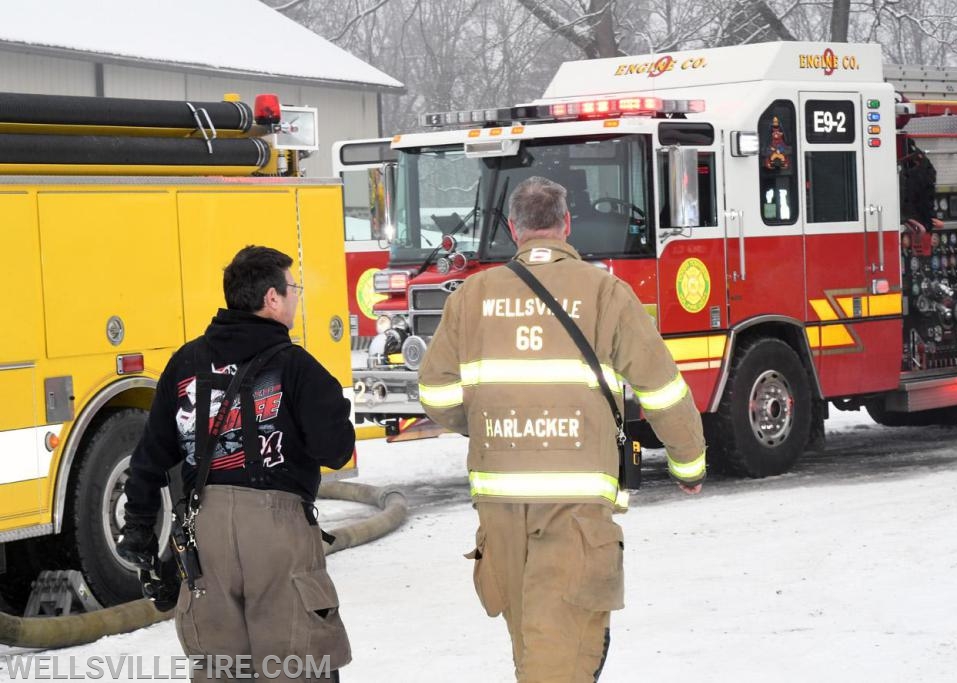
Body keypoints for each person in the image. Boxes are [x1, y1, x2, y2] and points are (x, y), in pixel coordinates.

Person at [418, 177, 706, 681]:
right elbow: (662, 389)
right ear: (566, 225)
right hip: (575, 507)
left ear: (513, 229)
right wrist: (689, 463)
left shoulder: (472, 295)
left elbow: (436, 392)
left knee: (532, 651)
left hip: (499, 508)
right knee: (560, 659)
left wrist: (493, 425)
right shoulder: (605, 292)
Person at [116, 245, 355, 682]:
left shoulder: (185, 363)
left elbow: (150, 456)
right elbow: (334, 451)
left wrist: (138, 529)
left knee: (221, 668)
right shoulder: (296, 366)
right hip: (278, 533)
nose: (296, 297)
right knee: (298, 663)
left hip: (205, 537)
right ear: (272, 299)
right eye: (293, 288)